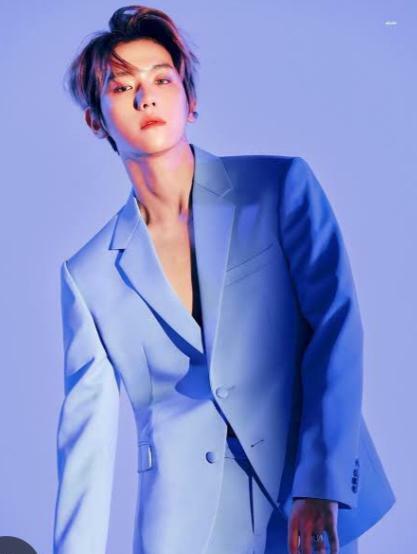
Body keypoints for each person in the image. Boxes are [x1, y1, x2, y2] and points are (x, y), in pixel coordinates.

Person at [52, 5, 396, 554]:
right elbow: (85, 442)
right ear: (97, 120)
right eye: (122, 87)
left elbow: (335, 328)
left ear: (190, 99)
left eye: (162, 79)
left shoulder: (278, 188)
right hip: (181, 527)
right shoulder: (88, 274)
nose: (146, 98)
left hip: (303, 504)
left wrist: (321, 484)